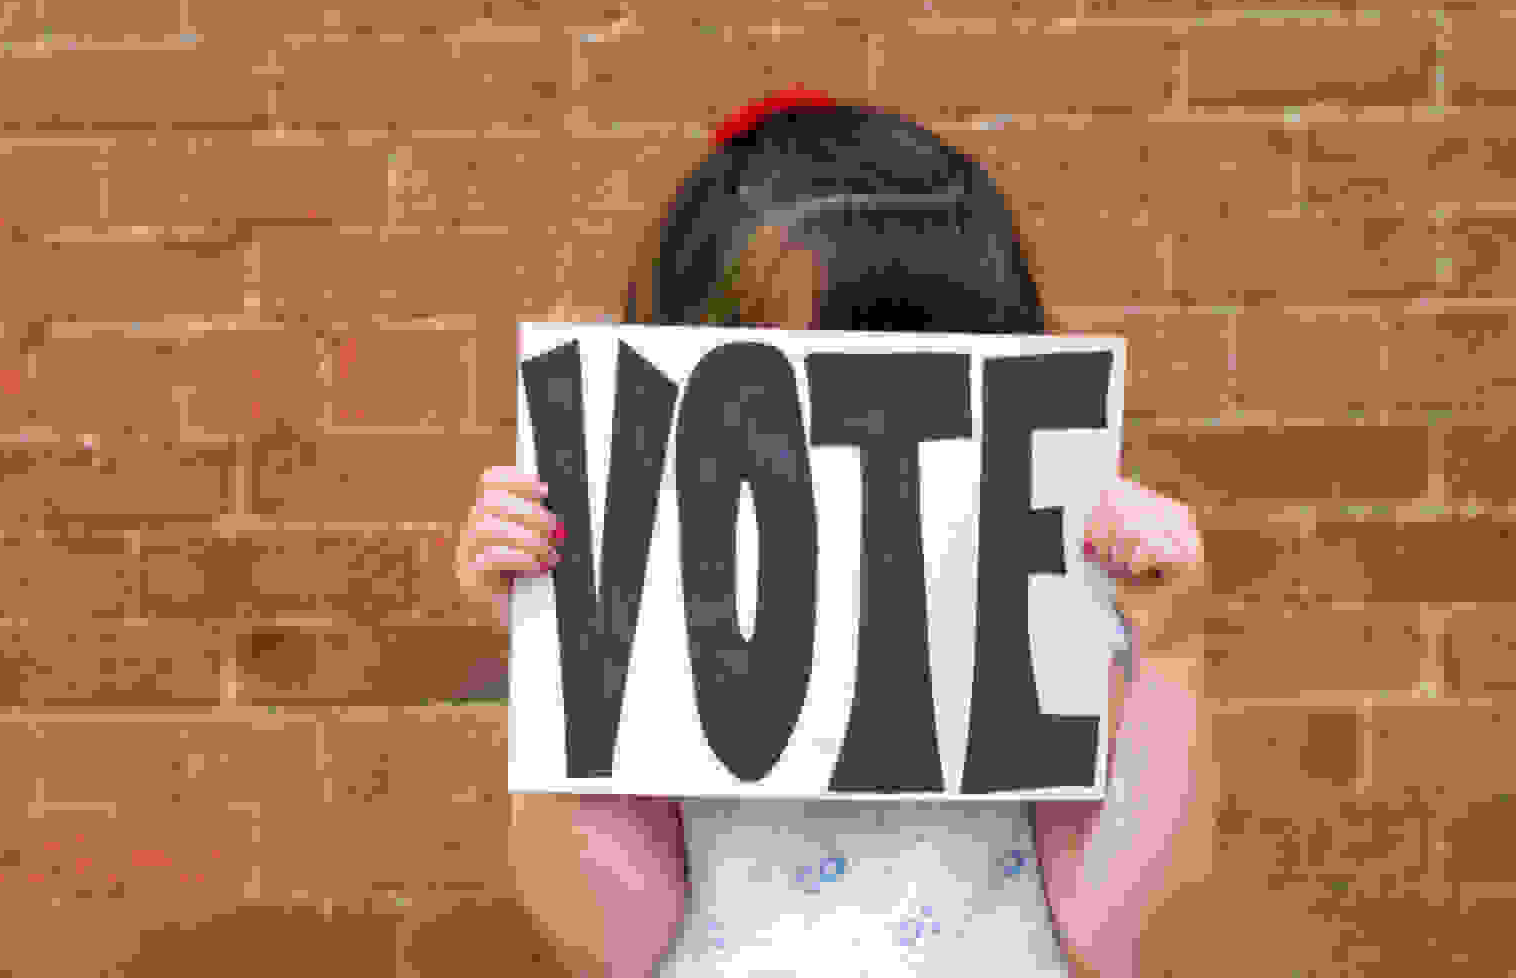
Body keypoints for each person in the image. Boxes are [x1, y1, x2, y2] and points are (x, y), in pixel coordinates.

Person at [453, 88, 1210, 977]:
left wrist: (1169, 652)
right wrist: (554, 648)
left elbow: (1122, 929)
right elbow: (605, 936)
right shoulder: (661, 594)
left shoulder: (1045, 579)